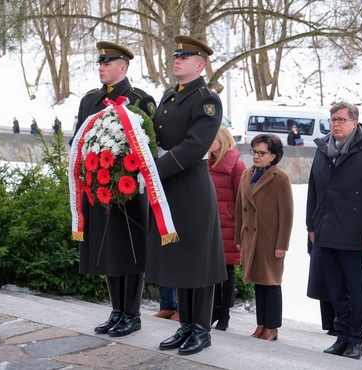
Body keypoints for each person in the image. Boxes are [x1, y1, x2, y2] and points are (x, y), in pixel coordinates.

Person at [145, 35, 226, 356]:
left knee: (198, 261)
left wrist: (155, 170)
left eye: (184, 56)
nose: (176, 60)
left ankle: (201, 330)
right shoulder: (170, 95)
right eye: (175, 55)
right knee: (178, 259)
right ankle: (185, 326)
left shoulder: (207, 100)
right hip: (169, 188)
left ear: (199, 64)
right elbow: (154, 134)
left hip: (190, 188)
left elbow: (194, 146)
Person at [72, 41, 157, 338]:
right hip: (98, 190)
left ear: (122, 68)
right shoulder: (89, 101)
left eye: (107, 64)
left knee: (130, 251)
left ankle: (131, 314)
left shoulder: (140, 100)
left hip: (129, 192)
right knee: (108, 249)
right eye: (100, 63)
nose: (101, 68)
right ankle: (116, 311)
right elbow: (78, 141)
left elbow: (150, 146)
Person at [306, 101, 362, 360]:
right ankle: (341, 336)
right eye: (333, 119)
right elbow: (313, 189)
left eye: (341, 119)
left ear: (355, 122)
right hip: (326, 231)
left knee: (355, 288)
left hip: (355, 233)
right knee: (335, 289)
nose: (336, 124)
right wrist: (312, 224)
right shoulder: (323, 149)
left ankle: (356, 339)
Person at [235, 133, 294, 342]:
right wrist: (239, 239)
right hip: (251, 238)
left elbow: (287, 215)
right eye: (254, 151)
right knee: (258, 282)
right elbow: (240, 209)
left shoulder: (281, 178)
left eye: (262, 153)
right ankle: (261, 324)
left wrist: (282, 245)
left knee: (272, 282)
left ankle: (272, 327)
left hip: (271, 239)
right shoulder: (246, 174)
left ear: (273, 156)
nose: (256, 156)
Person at [208, 126, 246, 331]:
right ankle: (214, 310)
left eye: (212, 138)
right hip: (212, 224)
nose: (209, 141)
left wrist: (238, 226)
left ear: (222, 139)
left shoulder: (236, 166)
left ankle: (224, 315)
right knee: (213, 270)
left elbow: (242, 199)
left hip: (228, 225)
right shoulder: (209, 164)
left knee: (227, 271)